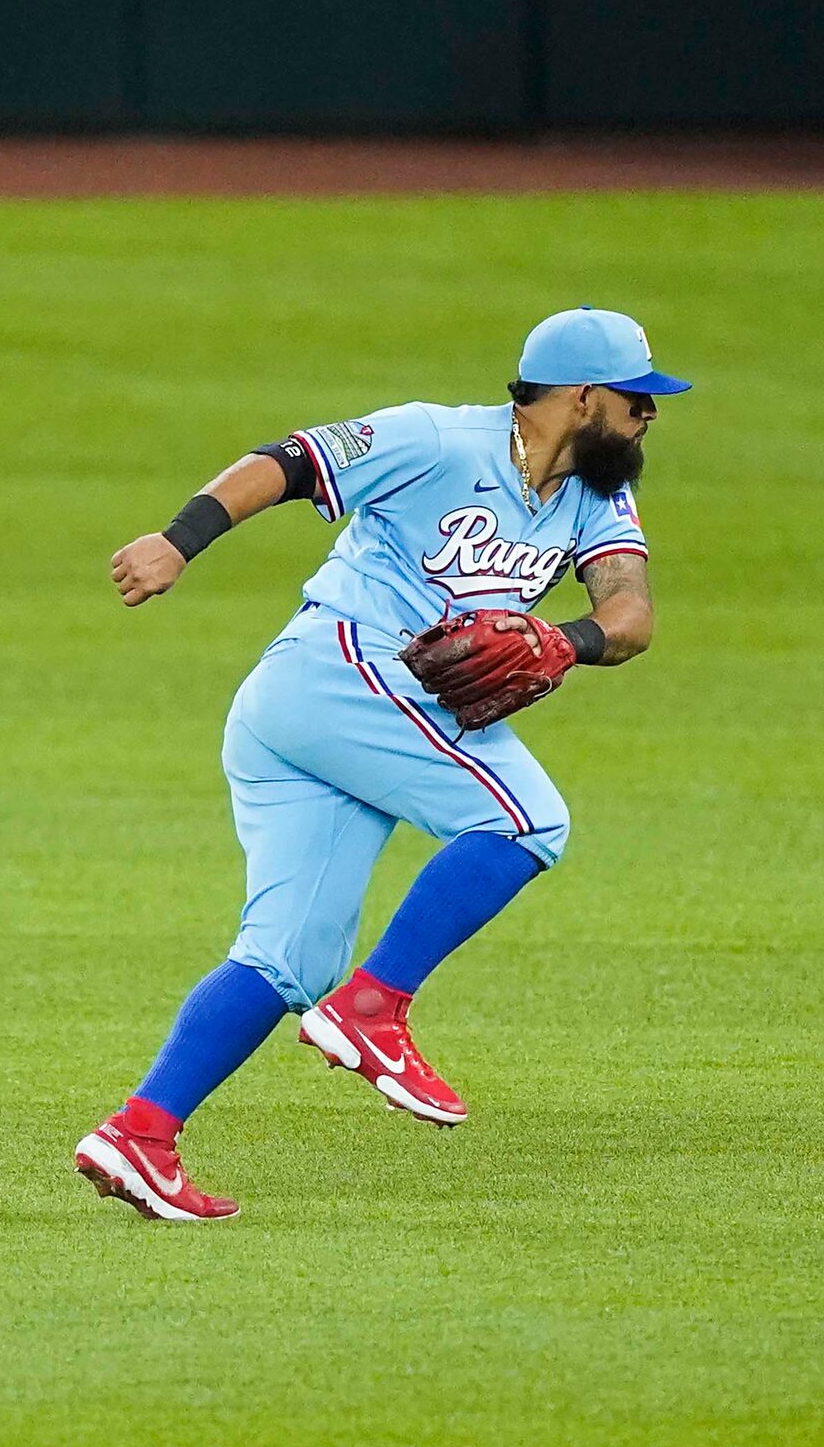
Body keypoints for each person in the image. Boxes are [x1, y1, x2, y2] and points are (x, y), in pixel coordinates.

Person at [76, 307, 684, 1222]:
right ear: (582, 394)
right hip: (338, 668)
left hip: (334, 718)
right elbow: (282, 463)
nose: (649, 417)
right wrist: (176, 541)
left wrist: (563, 640)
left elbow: (631, 614)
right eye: (637, 400)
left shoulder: (597, 494)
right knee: (524, 819)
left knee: (290, 958)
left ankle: (140, 1134)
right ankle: (374, 1008)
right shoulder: (435, 438)